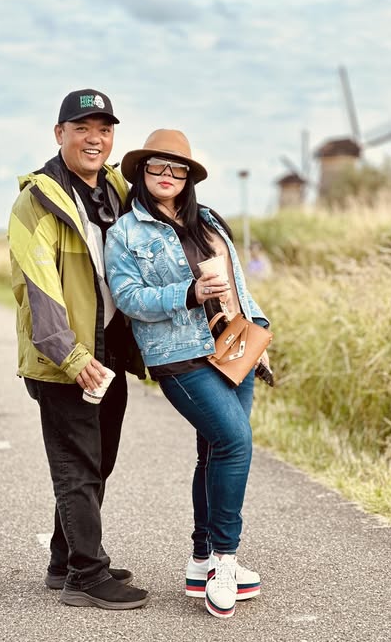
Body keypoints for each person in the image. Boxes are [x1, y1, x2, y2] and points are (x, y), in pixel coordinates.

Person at [105, 129, 271, 619]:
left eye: (176, 168)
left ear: (188, 176)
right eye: (157, 166)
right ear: (142, 172)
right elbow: (129, 299)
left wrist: (260, 330)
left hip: (234, 347)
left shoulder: (210, 220)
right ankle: (226, 560)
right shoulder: (126, 233)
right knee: (235, 442)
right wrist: (188, 293)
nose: (167, 175)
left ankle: (201, 560)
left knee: (214, 450)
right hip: (178, 357)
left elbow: (238, 283)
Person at [8, 89, 148, 611]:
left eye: (104, 129)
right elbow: (39, 290)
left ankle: (63, 559)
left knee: (99, 460)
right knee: (78, 466)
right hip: (63, 359)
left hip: (108, 352)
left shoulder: (115, 189)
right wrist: (71, 357)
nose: (95, 139)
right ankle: (86, 575)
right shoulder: (36, 202)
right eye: (82, 128)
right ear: (59, 133)